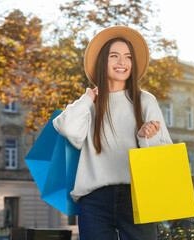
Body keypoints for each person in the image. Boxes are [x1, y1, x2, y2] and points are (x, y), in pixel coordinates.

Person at [53, 26, 172, 240]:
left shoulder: (146, 101)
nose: (122, 62)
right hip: (94, 200)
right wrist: (88, 98)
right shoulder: (89, 104)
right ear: (102, 61)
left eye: (128, 57)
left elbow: (163, 153)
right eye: (114, 56)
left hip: (138, 196)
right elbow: (64, 126)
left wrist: (145, 136)